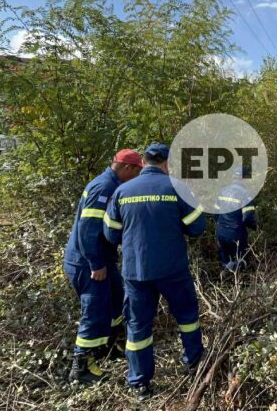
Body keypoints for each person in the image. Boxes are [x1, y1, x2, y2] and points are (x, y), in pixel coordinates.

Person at [103, 143, 207, 401]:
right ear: (166, 163)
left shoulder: (122, 191)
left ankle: (140, 383)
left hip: (136, 272)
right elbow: (197, 228)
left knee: (138, 327)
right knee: (187, 317)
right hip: (172, 270)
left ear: (145, 162)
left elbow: (110, 233)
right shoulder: (177, 189)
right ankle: (194, 363)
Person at [64, 149, 143, 384]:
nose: (138, 178)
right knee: (95, 310)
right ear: (127, 168)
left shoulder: (110, 184)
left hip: (101, 260)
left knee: (115, 302)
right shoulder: (104, 188)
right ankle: (81, 366)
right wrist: (96, 263)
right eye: (137, 172)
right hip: (87, 263)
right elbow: (87, 230)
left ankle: (107, 348)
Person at [215, 168, 258, 272]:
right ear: (243, 179)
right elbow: (247, 217)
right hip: (236, 234)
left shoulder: (223, 191)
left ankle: (225, 280)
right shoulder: (245, 194)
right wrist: (256, 226)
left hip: (221, 233)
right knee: (240, 261)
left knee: (225, 261)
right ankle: (240, 284)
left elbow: (215, 214)